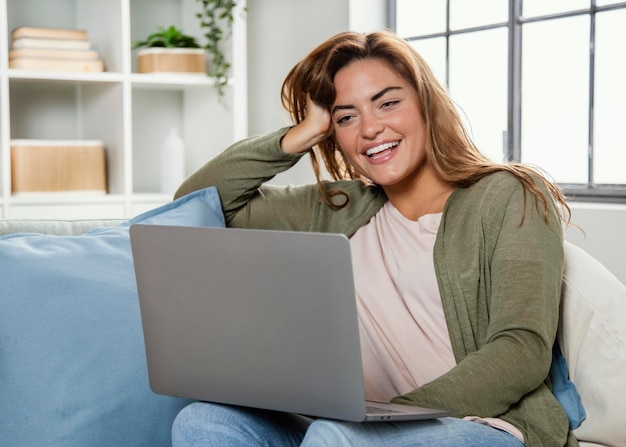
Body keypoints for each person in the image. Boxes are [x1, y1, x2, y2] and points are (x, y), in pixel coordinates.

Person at [171, 30, 577, 447]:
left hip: (480, 424)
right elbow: (196, 204)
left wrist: (392, 417)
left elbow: (521, 348)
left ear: (425, 103)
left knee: (334, 438)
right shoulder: (335, 207)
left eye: (388, 103)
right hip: (345, 425)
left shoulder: (508, 195)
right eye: (346, 117)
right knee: (202, 421)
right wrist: (299, 135)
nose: (370, 129)